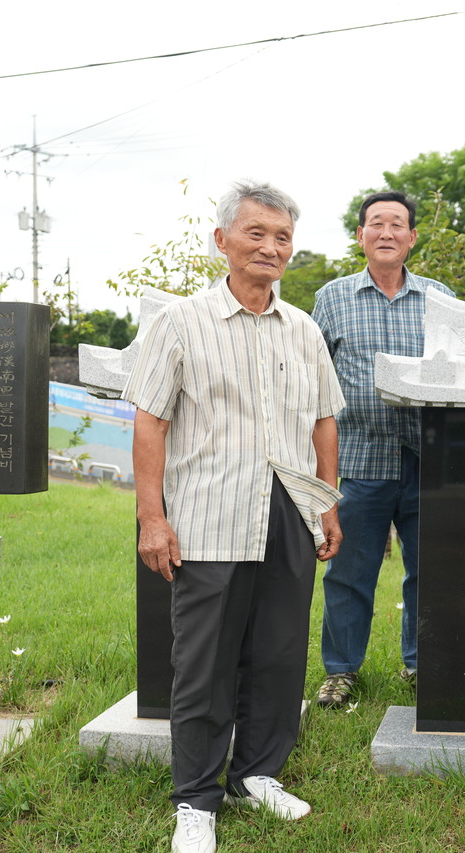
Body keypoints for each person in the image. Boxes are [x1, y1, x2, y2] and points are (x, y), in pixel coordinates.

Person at [123, 180, 346, 853]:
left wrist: (326, 501)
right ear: (222, 240)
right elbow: (151, 420)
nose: (270, 247)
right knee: (204, 661)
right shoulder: (181, 322)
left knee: (279, 652)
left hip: (289, 509)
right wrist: (152, 518)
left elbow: (324, 419)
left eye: (282, 237)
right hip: (209, 512)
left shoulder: (303, 328)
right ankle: (196, 799)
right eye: (256, 233)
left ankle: (258, 773)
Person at [311, 191, 455, 708]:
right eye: (376, 223)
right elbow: (313, 382)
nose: (387, 232)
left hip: (427, 460)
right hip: (359, 459)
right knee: (349, 572)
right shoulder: (332, 298)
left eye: (397, 224)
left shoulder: (440, 298)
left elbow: (456, 373)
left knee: (429, 571)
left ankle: (422, 664)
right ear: (361, 236)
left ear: (412, 237)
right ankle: (341, 671)